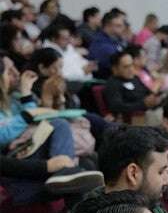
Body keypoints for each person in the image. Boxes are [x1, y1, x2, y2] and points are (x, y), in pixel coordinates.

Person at [0, 54, 102, 203]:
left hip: (29, 147)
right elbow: (5, 135)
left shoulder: (14, 99)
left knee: (87, 163)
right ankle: (64, 174)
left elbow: (35, 117)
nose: (17, 73)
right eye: (9, 71)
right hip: (15, 156)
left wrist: (26, 95)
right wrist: (26, 116)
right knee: (59, 124)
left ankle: (67, 179)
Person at [103, 50, 161, 115]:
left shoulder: (135, 78)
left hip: (150, 112)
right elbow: (117, 107)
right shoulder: (113, 84)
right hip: (135, 119)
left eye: (131, 65)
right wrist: (143, 104)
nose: (131, 69)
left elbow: (148, 93)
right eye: (126, 67)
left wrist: (155, 98)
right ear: (115, 69)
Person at [88, 10, 125, 79]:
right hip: (106, 82)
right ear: (108, 26)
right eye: (118, 26)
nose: (123, 28)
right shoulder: (100, 43)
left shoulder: (116, 40)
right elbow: (121, 64)